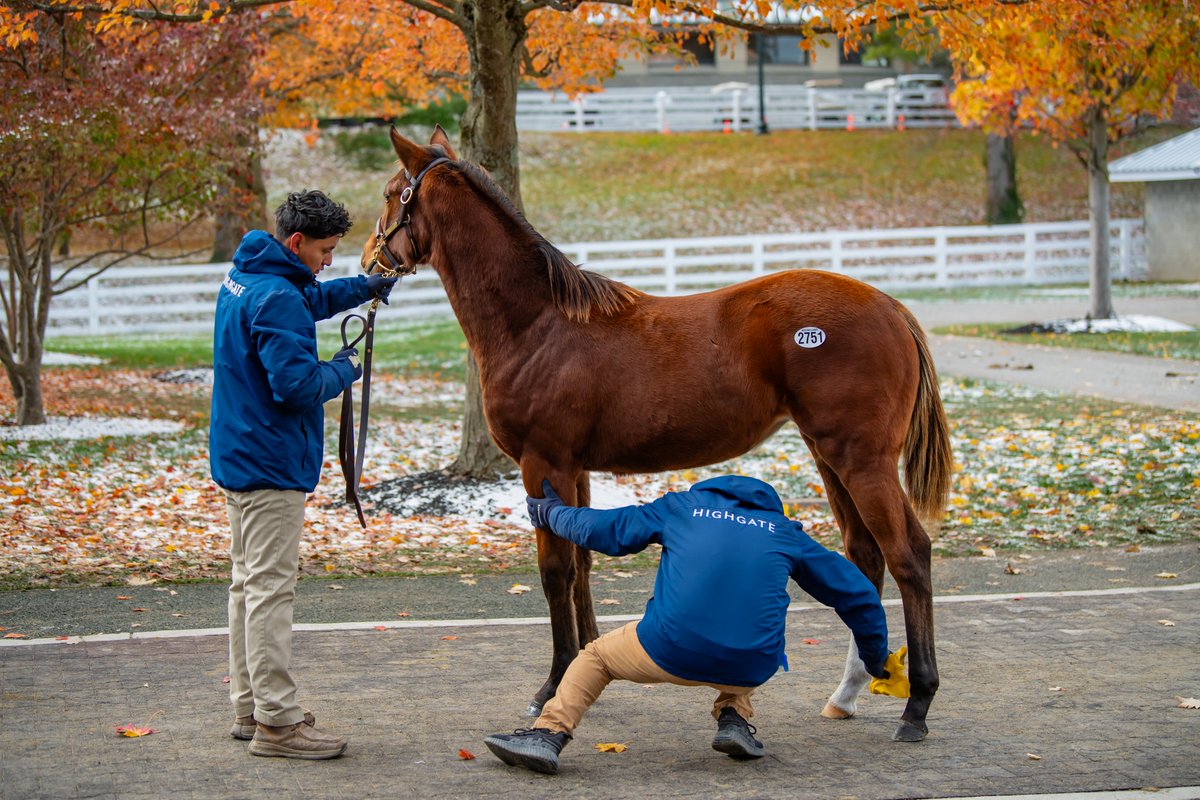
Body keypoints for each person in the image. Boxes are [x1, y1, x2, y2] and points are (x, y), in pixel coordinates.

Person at [484, 475, 893, 775]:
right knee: (750, 631)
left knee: (594, 657)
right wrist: (876, 661)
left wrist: (551, 512)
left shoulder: (681, 507)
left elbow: (603, 530)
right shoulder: (786, 533)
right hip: (750, 663)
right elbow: (860, 597)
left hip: (669, 647)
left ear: (712, 492)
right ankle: (734, 717)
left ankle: (548, 734)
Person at [209, 190, 397, 760]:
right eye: (325, 249)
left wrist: (363, 288)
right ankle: (279, 724)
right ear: (297, 243)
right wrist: (341, 371)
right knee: (269, 591)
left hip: (241, 453)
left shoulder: (249, 277)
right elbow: (295, 386)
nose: (330, 261)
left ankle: (252, 707)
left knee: (247, 586)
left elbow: (306, 299)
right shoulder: (277, 296)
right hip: (271, 462)